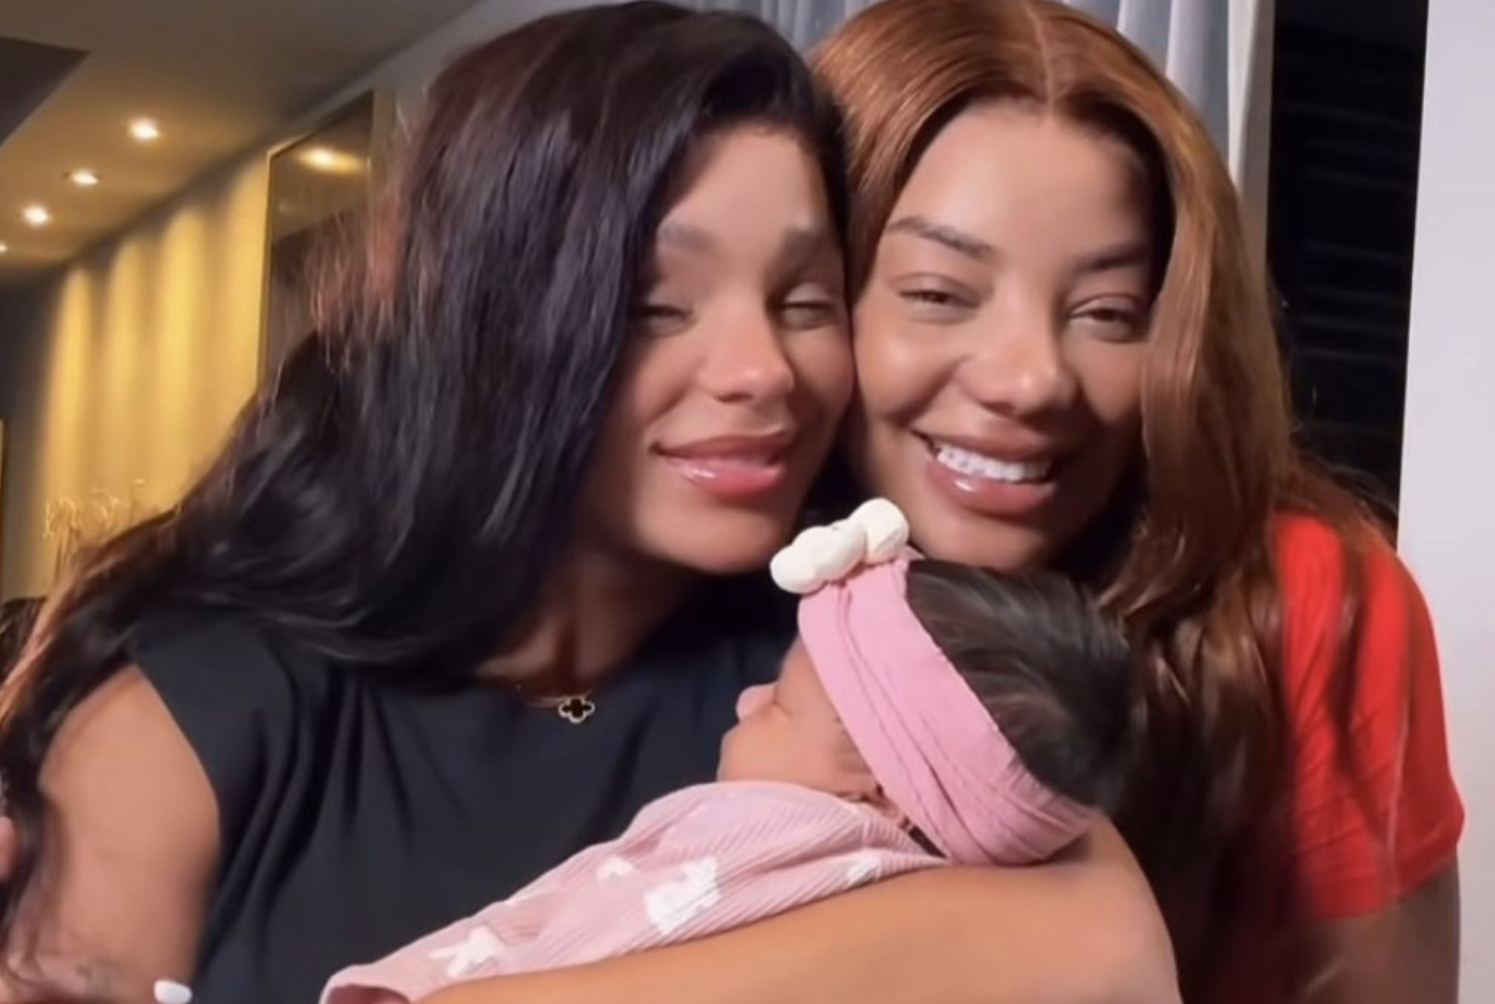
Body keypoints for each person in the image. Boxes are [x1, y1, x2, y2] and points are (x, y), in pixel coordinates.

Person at [0, 5, 1174, 1004]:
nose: (760, 369)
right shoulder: (196, 710)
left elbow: (1110, 950)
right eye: (655, 304)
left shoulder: (842, 673)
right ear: (486, 326)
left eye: (804, 298)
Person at [808, 1, 1466, 1001]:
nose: (1032, 379)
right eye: (940, 293)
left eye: (1109, 313)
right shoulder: (719, 573)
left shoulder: (1302, 598)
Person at [325, 500, 1138, 1004]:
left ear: (881, 794)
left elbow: (608, 934)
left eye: (780, 704)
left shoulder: (771, 836)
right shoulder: (988, 885)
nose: (748, 701)